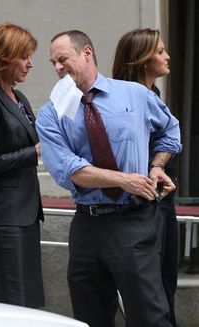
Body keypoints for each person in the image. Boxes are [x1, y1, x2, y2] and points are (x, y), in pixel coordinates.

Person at [36, 30, 182, 327]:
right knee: (90, 316)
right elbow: (69, 169)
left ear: (86, 53)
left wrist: (157, 165)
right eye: (53, 62)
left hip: (134, 221)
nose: (57, 68)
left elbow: (170, 130)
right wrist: (124, 179)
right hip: (87, 226)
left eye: (62, 59)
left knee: (149, 316)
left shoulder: (135, 94)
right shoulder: (51, 114)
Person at [0, 22, 45, 308]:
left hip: (26, 213)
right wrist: (33, 152)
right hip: (5, 217)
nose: (30, 64)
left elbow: (36, 140)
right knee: (13, 298)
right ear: (2, 58)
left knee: (29, 297)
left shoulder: (19, 97)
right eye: (24, 56)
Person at [112, 28, 178, 327]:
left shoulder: (155, 94)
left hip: (164, 198)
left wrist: (159, 164)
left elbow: (170, 136)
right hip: (141, 204)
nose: (167, 56)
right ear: (141, 59)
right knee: (150, 289)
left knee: (166, 279)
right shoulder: (122, 99)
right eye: (160, 51)